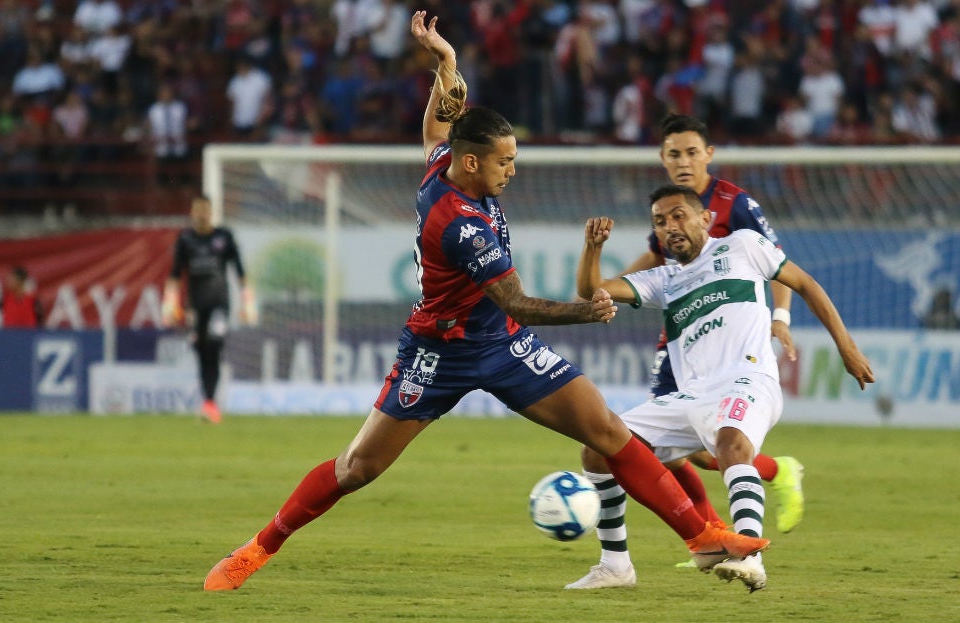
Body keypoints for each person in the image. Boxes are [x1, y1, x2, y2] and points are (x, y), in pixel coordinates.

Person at [202, 11, 769, 593]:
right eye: (505, 161)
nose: (512, 171)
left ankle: (701, 536)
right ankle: (256, 549)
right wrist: (586, 310)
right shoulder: (459, 223)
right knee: (357, 468)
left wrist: (445, 64)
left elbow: (435, 131)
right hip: (440, 352)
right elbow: (518, 302)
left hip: (501, 343)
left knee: (607, 430)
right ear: (472, 163)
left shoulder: (443, 166)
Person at [573, 185, 874, 592]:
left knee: (732, 445)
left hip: (747, 379)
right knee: (597, 448)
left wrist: (847, 347)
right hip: (691, 395)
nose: (669, 227)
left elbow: (806, 284)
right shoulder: (664, 279)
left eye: (678, 215)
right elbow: (593, 290)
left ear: (705, 219)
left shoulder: (744, 245)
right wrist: (592, 247)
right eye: (660, 222)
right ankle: (616, 565)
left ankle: (750, 555)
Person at [565, 114, 806, 590]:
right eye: (673, 153)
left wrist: (780, 319)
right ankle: (701, 538)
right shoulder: (668, 216)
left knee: (714, 446)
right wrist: (602, 268)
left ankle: (734, 525)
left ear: (708, 156)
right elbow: (654, 266)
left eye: (691, 152)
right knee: (663, 450)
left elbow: (783, 268)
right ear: (662, 159)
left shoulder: (736, 209)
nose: (682, 161)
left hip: (733, 348)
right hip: (685, 330)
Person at [163, 195, 251, 424]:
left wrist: (247, 302)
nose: (202, 214)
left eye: (205, 210)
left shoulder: (224, 236)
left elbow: (240, 271)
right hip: (195, 307)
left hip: (219, 304)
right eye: (197, 210)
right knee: (202, 353)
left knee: (213, 344)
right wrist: (169, 305)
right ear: (192, 213)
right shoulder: (185, 239)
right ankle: (209, 403)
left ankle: (210, 403)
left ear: (211, 212)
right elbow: (174, 275)